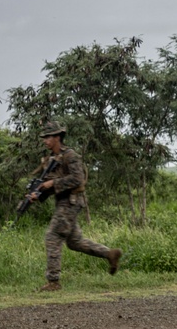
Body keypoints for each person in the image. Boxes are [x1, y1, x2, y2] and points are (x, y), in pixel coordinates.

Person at [30, 121, 122, 291]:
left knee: (52, 236)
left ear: (57, 137)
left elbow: (77, 179)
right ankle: (109, 254)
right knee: (75, 242)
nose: (45, 140)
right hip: (63, 202)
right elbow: (50, 186)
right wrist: (38, 194)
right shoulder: (51, 159)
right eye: (44, 137)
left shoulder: (70, 155)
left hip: (70, 202)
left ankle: (53, 282)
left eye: (48, 137)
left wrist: (53, 183)